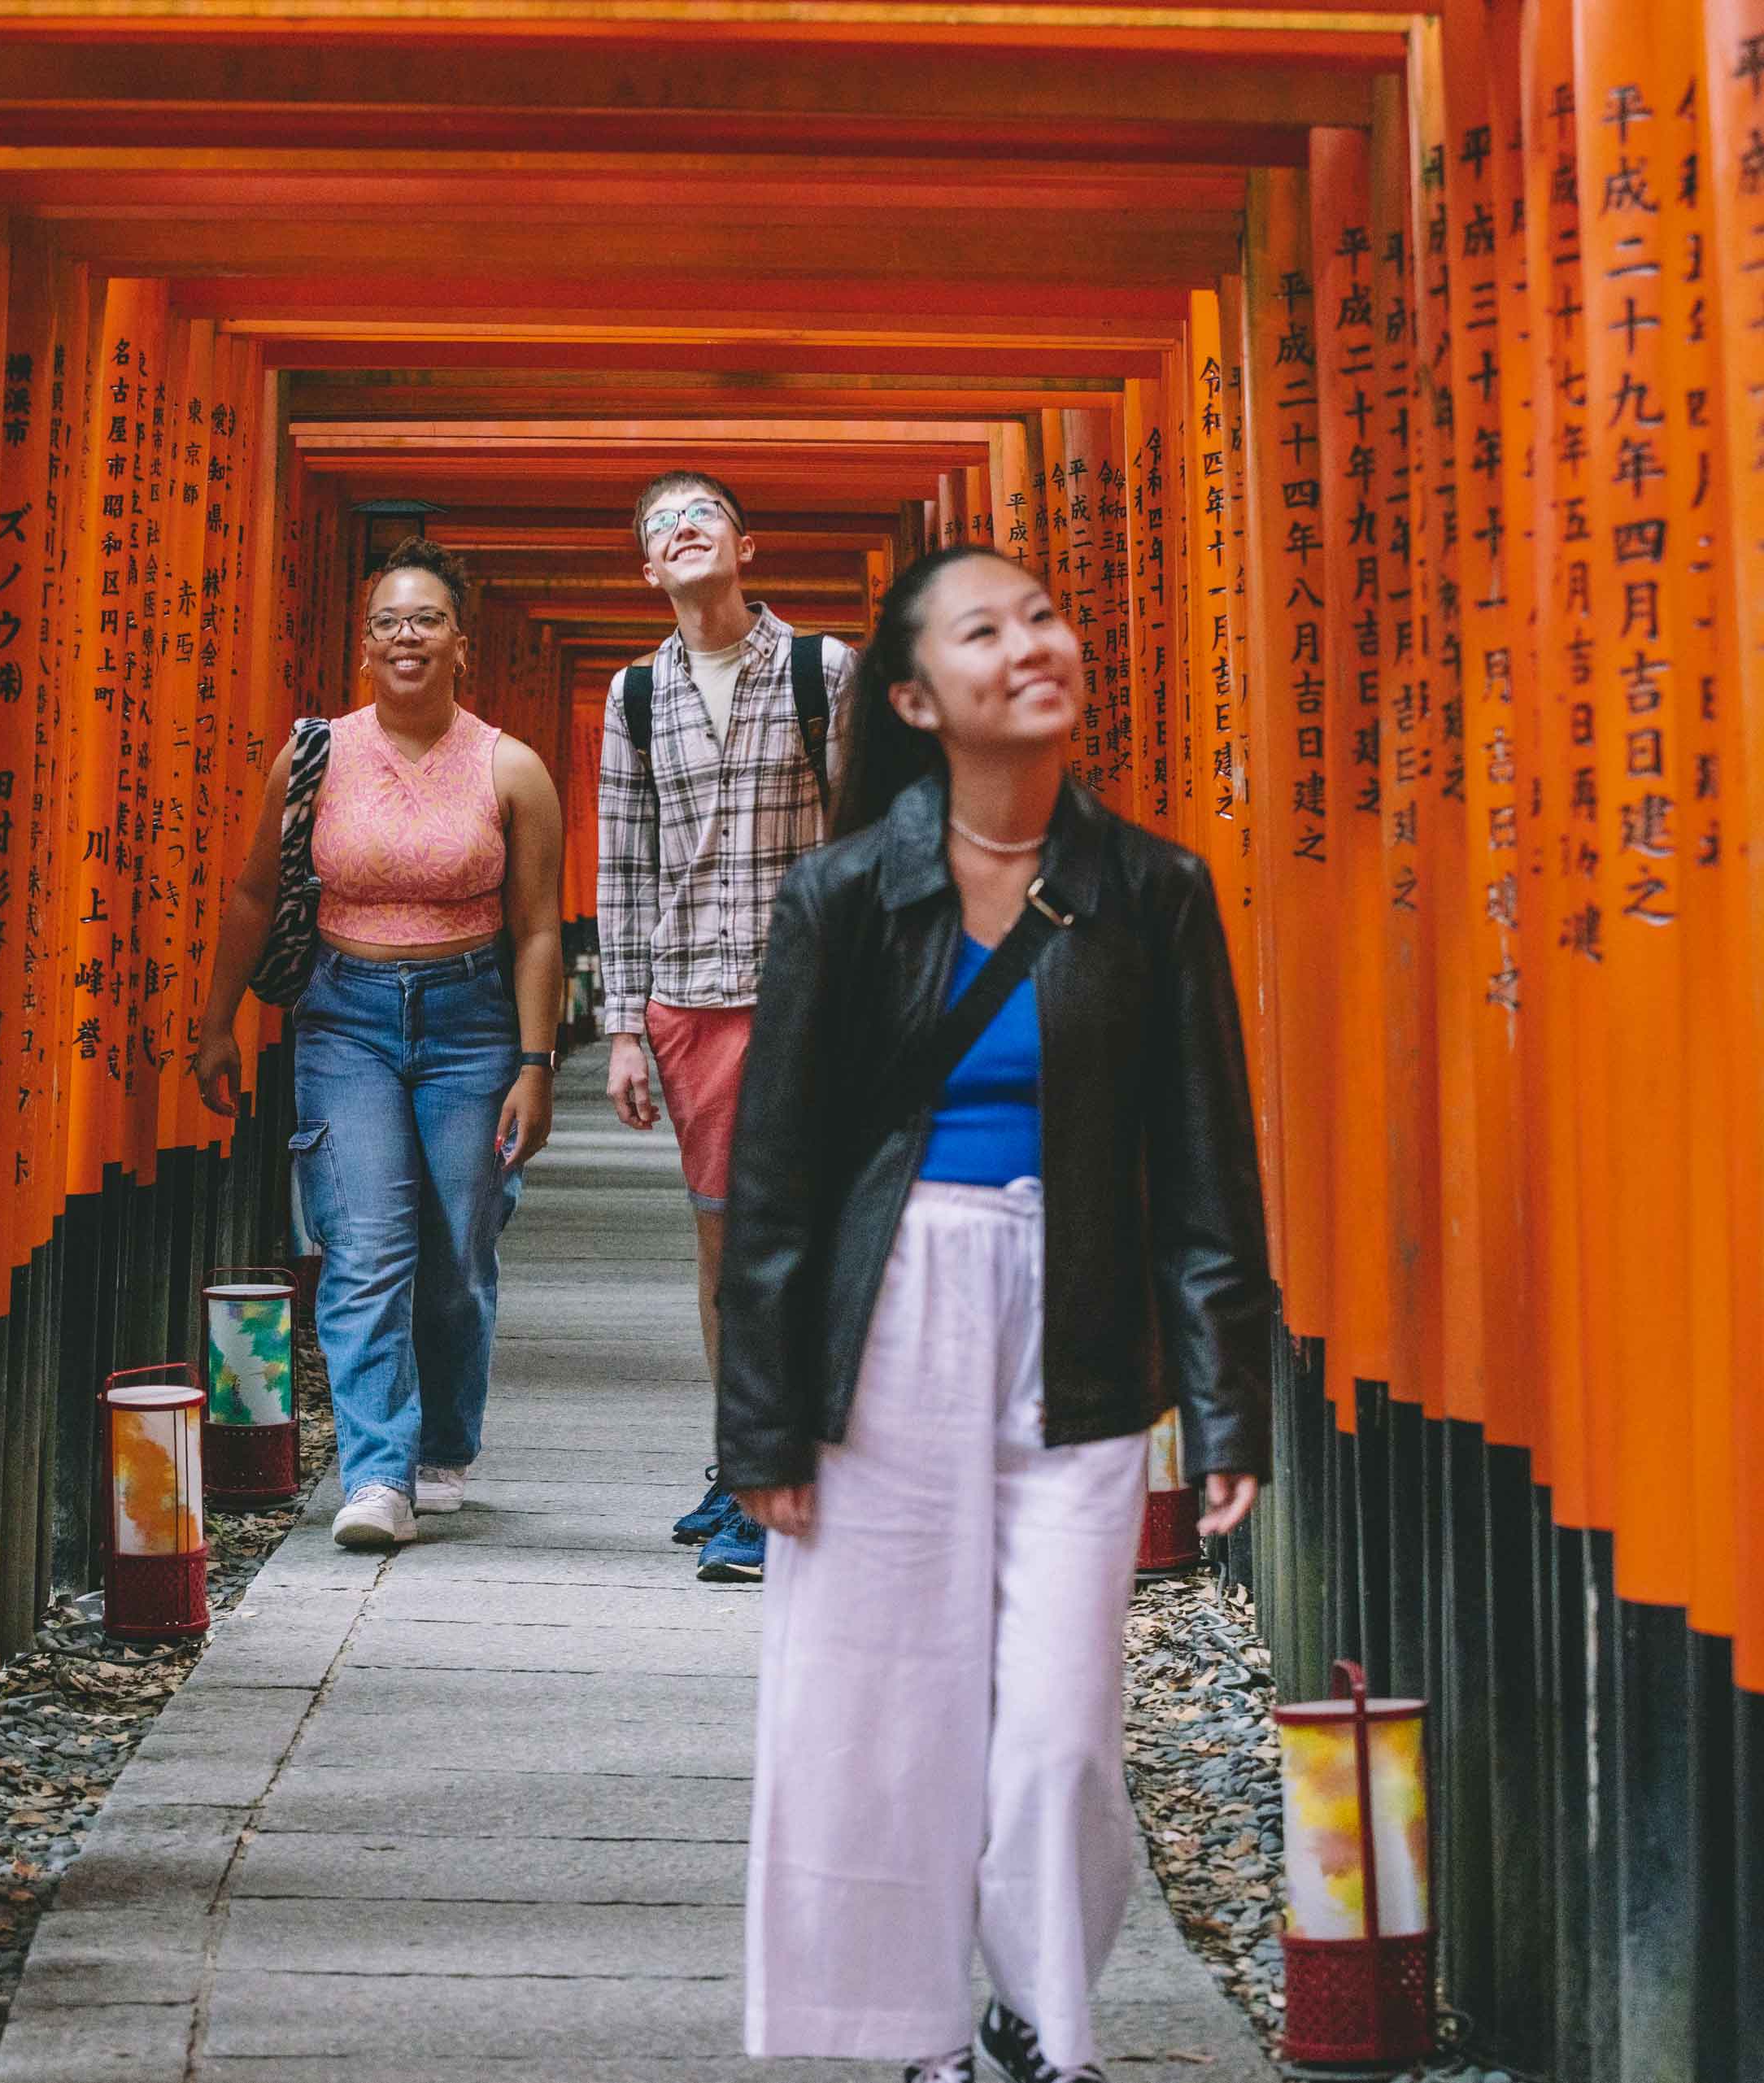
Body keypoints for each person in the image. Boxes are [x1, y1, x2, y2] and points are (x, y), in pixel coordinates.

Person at [714, 545, 1274, 2083]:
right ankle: (913, 2034)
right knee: (881, 1697)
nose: (1034, 644)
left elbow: (1209, 1162)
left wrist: (1228, 1398)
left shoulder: (1151, 890)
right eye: (987, 629)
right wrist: (764, 1423)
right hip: (889, 1315)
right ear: (915, 695)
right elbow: (776, 1183)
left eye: (1044, 616)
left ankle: (1042, 2003)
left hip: (1078, 1319)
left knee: (1061, 1726)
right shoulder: (841, 895)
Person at [193, 537, 565, 1551]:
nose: (407, 636)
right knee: (363, 1249)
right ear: (364, 647)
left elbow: (538, 928)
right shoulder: (314, 752)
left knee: (456, 1253)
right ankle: (376, 1473)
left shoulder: (511, 766)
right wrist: (216, 1019)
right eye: (388, 622)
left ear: (461, 645)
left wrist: (536, 1064)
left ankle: (444, 1439)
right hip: (344, 1014)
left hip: (473, 1020)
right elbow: (254, 891)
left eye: (426, 619)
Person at [594, 470, 855, 1584]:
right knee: (718, 1244)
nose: (682, 528)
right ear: (647, 570)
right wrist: (618, 1027)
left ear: (748, 544)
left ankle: (780, 1477)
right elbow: (623, 862)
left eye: (701, 514)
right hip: (687, 998)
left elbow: (873, 833)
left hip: (803, 996)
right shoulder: (634, 695)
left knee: (779, 1242)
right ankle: (739, 1453)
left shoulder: (821, 670)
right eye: (660, 525)